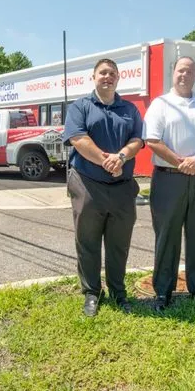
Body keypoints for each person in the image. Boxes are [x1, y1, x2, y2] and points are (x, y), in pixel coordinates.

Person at [62, 59, 145, 317]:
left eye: (112, 73)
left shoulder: (129, 109)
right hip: (87, 183)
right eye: (103, 73)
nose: (107, 77)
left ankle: (118, 292)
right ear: (94, 77)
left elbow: (138, 140)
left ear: (118, 77)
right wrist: (107, 161)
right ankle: (91, 293)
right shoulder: (80, 107)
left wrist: (120, 157)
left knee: (119, 243)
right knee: (87, 241)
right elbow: (78, 138)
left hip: (122, 186)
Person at [144, 56, 195, 311]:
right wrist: (182, 162)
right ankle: (163, 292)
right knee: (167, 236)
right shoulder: (161, 104)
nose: (184, 75)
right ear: (173, 73)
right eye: (181, 70)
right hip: (169, 178)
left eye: (189, 71)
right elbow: (152, 140)